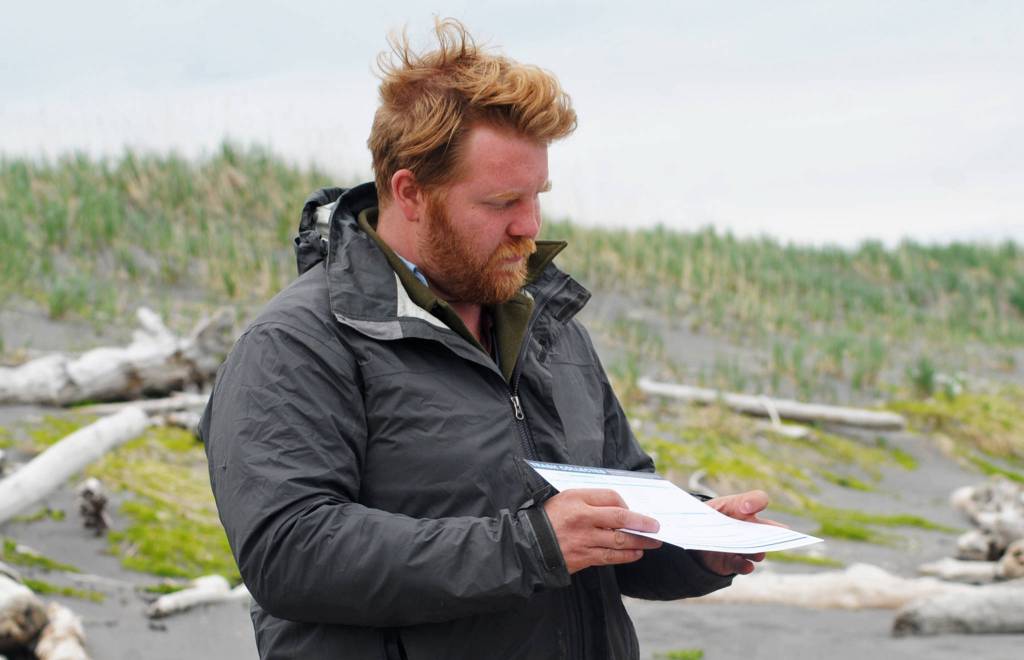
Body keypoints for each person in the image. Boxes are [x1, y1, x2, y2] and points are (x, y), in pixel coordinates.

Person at [201, 18, 774, 660]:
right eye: (501, 202)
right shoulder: (298, 343)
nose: (529, 226)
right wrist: (532, 546)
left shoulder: (549, 330)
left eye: (537, 196)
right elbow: (290, 552)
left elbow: (619, 512)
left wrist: (699, 546)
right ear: (410, 192)